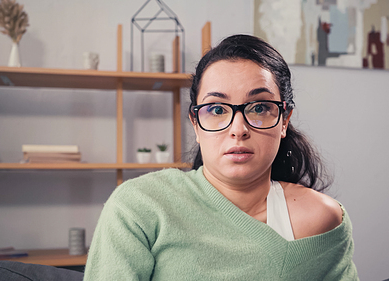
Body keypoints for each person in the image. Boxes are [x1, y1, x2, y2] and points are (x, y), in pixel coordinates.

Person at [84, 34, 358, 280]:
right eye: (217, 110)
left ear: (284, 120)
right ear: (195, 123)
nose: (238, 129)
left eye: (259, 107)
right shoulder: (138, 206)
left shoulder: (323, 220)